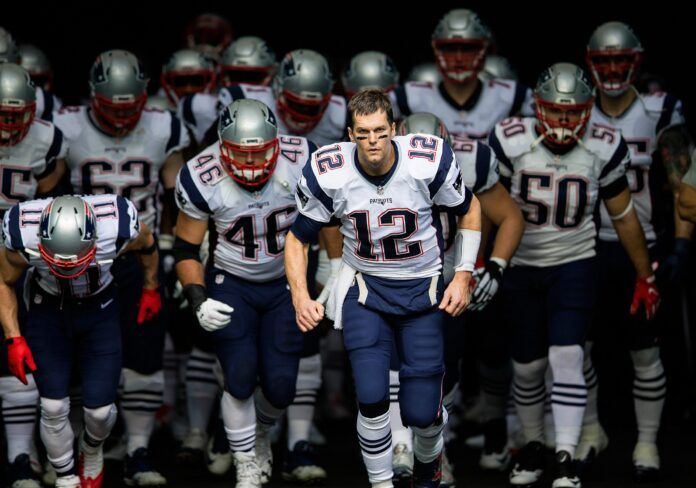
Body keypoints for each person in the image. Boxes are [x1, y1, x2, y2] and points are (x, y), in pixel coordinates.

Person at [284, 89, 482, 488]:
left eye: (379, 131)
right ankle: (381, 484)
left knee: (423, 412)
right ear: (350, 134)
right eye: (362, 133)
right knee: (372, 396)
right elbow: (297, 237)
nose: (372, 141)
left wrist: (463, 273)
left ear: (393, 129)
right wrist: (300, 296)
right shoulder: (330, 169)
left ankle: (429, 468)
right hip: (366, 292)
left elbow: (470, 208)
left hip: (422, 294)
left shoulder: (427, 161)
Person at [489, 62, 659, 488]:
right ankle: (533, 445)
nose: (565, 121)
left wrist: (644, 276)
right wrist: (479, 262)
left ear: (587, 110)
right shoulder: (510, 139)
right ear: (537, 107)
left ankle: (564, 454)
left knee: (567, 356)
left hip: (575, 262)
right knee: (526, 368)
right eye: (556, 111)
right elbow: (489, 207)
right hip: (522, 264)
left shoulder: (603, 144)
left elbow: (623, 217)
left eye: (573, 112)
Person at [54, 49, 189, 486]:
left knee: (145, 354)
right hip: (79, 260)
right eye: (111, 106)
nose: (121, 116)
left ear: (144, 96)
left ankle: (138, 449)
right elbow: (45, 189)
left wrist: (171, 248)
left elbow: (179, 195)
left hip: (137, 256)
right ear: (92, 97)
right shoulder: (67, 125)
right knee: (77, 357)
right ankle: (80, 449)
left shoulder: (163, 125)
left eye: (129, 106)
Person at [174, 98, 318, 487]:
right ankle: (245, 464)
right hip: (231, 281)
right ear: (222, 147)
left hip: (287, 282)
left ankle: (258, 436)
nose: (251, 164)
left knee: (281, 388)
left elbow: (330, 219)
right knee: (238, 376)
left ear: (276, 144)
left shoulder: (303, 157)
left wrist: (335, 274)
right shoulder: (200, 175)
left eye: (259, 154)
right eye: (241, 154)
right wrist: (198, 298)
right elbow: (186, 248)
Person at [579, 21, 694, 480]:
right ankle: (590, 431)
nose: (611, 69)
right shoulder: (575, 109)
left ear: (636, 62)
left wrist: (682, 245)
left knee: (645, 349)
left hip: (642, 247)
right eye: (603, 60)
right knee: (576, 348)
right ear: (590, 63)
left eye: (619, 60)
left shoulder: (661, 111)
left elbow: (682, 185)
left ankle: (646, 441)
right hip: (583, 247)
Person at [1, 194, 160, 488]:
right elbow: (4, 279)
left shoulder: (118, 226)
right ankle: (66, 477)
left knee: (99, 412)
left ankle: (91, 447)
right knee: (52, 406)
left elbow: (148, 244)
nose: (66, 266)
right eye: (56, 257)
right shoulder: (23, 232)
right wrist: (13, 337)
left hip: (98, 309)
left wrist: (151, 286)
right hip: (47, 310)